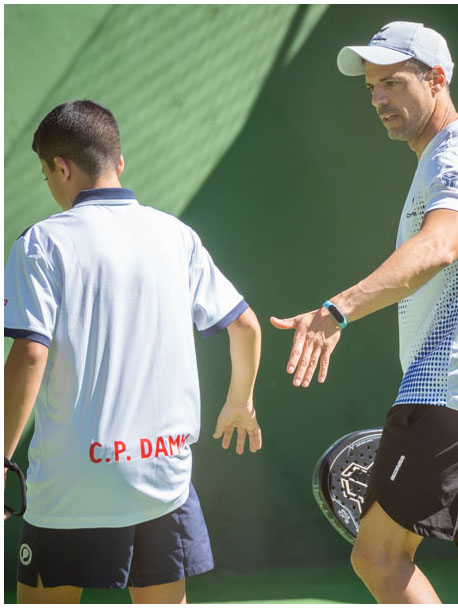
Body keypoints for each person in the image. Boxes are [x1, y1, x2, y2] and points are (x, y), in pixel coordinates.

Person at [271, 21, 458, 603]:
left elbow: (440, 244)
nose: (378, 99)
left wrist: (338, 309)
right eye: (371, 87)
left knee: (378, 556)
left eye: (393, 83)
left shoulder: (457, 157)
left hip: (453, 389)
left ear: (437, 79)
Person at [4, 99, 263, 604]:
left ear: (61, 168)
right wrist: (240, 402)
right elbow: (246, 326)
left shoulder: (40, 243)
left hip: (70, 484)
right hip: (163, 478)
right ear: (119, 162)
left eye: (46, 174)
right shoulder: (178, 236)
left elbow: (30, 355)